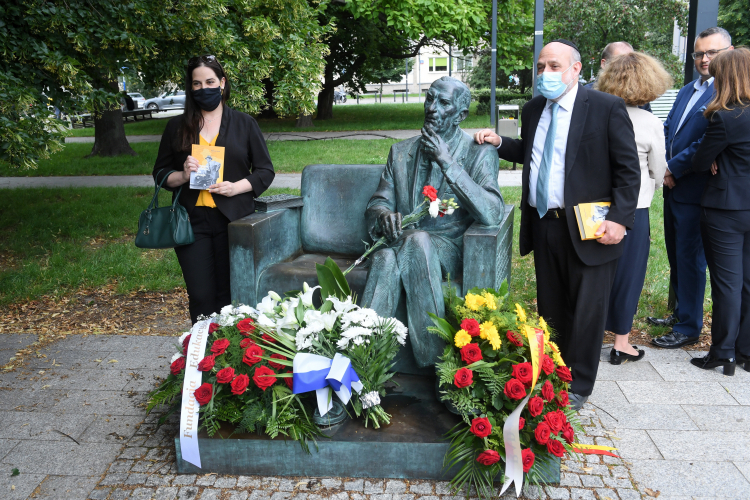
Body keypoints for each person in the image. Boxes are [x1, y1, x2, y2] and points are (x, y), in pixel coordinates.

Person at [474, 40, 641, 410]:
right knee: (552, 307)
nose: (545, 73)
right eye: (540, 67)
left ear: (576, 69)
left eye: (554, 66)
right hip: (545, 224)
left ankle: (579, 385)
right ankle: (555, 372)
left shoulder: (604, 107)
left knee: (587, 310)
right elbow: (533, 150)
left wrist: (619, 219)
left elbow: (629, 171)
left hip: (590, 228)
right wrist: (501, 142)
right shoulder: (535, 108)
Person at [363, 76, 505, 368]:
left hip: (448, 248)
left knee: (415, 242)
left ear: (461, 115)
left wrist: (447, 162)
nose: (432, 108)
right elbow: (378, 202)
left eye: (443, 103)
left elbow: (491, 212)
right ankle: (363, 367)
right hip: (404, 241)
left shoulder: (479, 152)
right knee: (384, 260)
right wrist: (383, 216)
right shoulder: (401, 153)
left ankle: (434, 366)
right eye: (430, 98)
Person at [152, 55, 275, 323]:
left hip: (234, 220)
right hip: (191, 222)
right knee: (201, 295)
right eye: (196, 84)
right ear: (191, 88)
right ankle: (203, 356)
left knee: (231, 296)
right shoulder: (176, 126)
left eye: (209, 81)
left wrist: (237, 187)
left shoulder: (245, 123)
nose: (203, 88)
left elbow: (266, 171)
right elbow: (160, 174)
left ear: (221, 83)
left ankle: (230, 357)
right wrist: (183, 175)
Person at [649, 27, 734, 349]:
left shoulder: (726, 92)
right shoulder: (689, 90)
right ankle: (680, 311)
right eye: (699, 53)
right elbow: (669, 128)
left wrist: (672, 168)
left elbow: (705, 142)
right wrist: (662, 165)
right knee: (677, 255)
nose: (705, 59)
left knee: (690, 258)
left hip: (697, 189)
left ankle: (688, 327)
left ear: (729, 52)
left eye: (712, 52)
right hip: (674, 187)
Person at [594, 52, 672, 364]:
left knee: (596, 273)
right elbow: (658, 168)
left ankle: (590, 334)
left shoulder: (596, 116)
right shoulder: (650, 121)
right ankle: (621, 343)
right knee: (629, 275)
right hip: (634, 208)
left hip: (596, 207)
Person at [690, 48, 750, 375]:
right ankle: (746, 352)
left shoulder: (725, 117)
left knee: (727, 284)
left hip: (725, 209)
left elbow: (700, 162)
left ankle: (724, 352)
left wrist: (715, 157)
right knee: (749, 282)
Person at [586, 42, 652, 113]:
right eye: (619, 62)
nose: (626, 67)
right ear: (604, 64)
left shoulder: (639, 93)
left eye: (631, 63)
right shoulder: (587, 94)